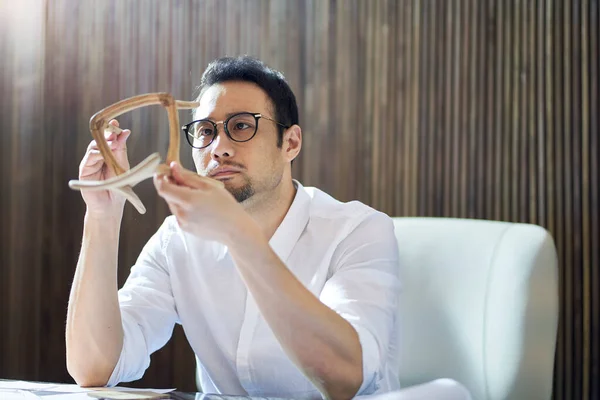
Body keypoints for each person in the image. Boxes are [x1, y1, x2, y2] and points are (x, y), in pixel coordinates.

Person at [66, 56, 400, 399]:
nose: (219, 149)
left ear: (291, 143)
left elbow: (346, 377)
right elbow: (95, 366)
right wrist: (103, 215)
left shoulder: (359, 231)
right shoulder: (176, 241)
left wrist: (236, 233)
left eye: (242, 126)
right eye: (206, 132)